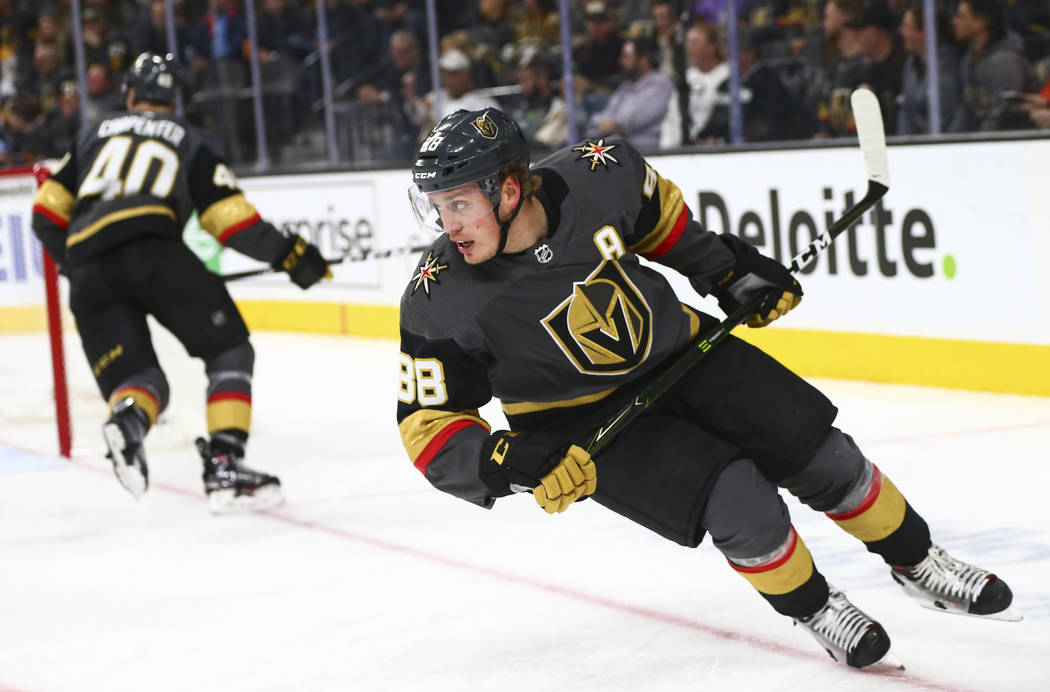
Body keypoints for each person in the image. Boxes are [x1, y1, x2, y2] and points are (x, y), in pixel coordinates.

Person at [397, 107, 1019, 669]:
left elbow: (662, 224)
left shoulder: (598, 173)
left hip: (683, 351)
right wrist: (509, 460)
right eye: (435, 206)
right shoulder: (440, 300)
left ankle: (919, 562)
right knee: (739, 500)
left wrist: (729, 270)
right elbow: (429, 428)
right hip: (580, 424)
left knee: (825, 456)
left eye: (457, 204)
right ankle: (815, 607)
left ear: (508, 189)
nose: (446, 225)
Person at [31, 52, 331, 514]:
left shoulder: (92, 134)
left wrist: (82, 267)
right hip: (156, 251)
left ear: (130, 95)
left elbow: (46, 214)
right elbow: (230, 221)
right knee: (228, 350)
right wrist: (291, 256)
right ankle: (225, 466)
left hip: (89, 268)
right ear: (177, 102)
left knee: (141, 380)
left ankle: (130, 423)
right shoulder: (189, 139)